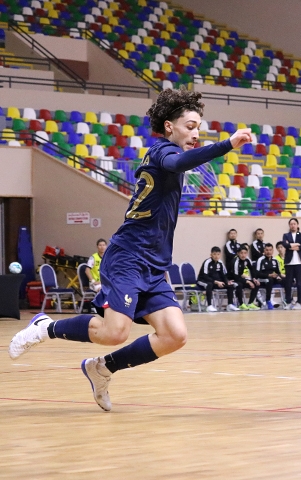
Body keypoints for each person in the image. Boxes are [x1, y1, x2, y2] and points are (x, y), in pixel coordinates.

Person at [8, 88, 251, 411]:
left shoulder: (172, 156)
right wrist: (227, 145)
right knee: (114, 332)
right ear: (169, 127)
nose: (196, 133)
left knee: (175, 336)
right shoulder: (161, 153)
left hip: (153, 264)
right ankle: (46, 327)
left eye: (199, 128)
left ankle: (102, 368)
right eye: (190, 126)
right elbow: (178, 164)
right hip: (127, 257)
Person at [196, 246, 237, 312]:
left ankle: (230, 304)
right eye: (214, 254)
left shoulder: (220, 263)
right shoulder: (207, 262)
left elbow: (223, 275)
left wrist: (227, 281)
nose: (216, 256)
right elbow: (204, 276)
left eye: (218, 254)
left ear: (220, 255)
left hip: (214, 282)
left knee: (230, 286)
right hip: (202, 281)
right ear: (211, 255)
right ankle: (209, 305)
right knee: (209, 284)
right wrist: (216, 282)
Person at [282, 217, 301, 310]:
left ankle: (299, 302)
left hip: (299, 262)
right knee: (288, 283)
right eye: (291, 224)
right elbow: (285, 244)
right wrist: (295, 245)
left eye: (294, 224)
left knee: (299, 283)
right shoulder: (286, 235)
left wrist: (291, 246)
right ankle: (288, 302)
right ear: (289, 225)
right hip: (289, 262)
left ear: (297, 225)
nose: (293, 225)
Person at [255, 243, 284, 310]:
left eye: (270, 250)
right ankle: (268, 301)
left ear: (273, 251)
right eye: (267, 250)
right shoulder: (260, 260)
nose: (268, 252)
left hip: (272, 277)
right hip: (262, 279)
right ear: (264, 251)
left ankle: (287, 300)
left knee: (286, 280)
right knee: (269, 280)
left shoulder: (275, 260)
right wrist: (269, 275)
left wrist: (278, 276)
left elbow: (278, 272)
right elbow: (257, 273)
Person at [230, 246, 260, 310]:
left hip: (240, 278)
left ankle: (250, 303)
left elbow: (252, 269)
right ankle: (241, 304)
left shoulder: (247, 260)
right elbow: (236, 277)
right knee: (239, 285)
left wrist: (254, 278)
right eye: (241, 253)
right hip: (232, 279)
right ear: (238, 253)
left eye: (245, 253)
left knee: (256, 284)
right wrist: (247, 281)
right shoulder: (235, 261)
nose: (243, 255)